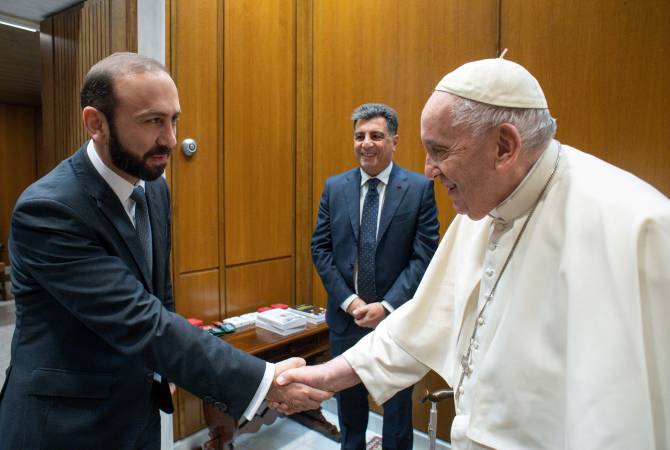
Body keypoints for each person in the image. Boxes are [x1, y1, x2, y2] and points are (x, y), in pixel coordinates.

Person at [277, 58, 670, 449]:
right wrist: (326, 376)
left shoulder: (636, 226)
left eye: (439, 151)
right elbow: (421, 325)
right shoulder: (481, 207)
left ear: (503, 146)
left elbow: (624, 422)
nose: (429, 170)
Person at [0, 52, 330, 449]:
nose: (171, 139)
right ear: (96, 123)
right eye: (153, 121)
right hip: (65, 423)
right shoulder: (49, 210)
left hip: (135, 409)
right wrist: (263, 382)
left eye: (174, 119)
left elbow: (157, 290)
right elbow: (138, 319)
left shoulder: (153, 186)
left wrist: (164, 367)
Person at [311, 103, 440, 450]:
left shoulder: (418, 189)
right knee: (350, 412)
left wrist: (385, 306)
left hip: (395, 322)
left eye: (376, 136)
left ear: (394, 141)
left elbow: (424, 256)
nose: (366, 143)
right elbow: (320, 250)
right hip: (346, 319)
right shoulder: (335, 187)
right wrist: (350, 301)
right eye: (359, 136)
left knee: (397, 415)